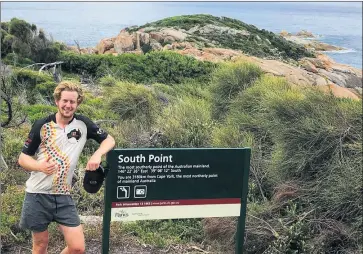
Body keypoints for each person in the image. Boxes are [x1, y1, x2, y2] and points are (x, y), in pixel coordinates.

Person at [18, 81, 115, 254]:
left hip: (63, 195)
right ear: (57, 101)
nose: (68, 105)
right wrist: (39, 166)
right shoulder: (42, 125)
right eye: (65, 101)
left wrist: (97, 154)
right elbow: (23, 158)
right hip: (37, 194)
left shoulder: (83, 124)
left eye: (72, 102)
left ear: (78, 103)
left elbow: (109, 140)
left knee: (77, 248)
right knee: (40, 245)